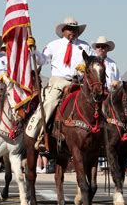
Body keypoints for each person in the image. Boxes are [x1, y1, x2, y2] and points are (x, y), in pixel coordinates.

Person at [25, 17, 93, 146]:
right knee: (49, 104)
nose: (72, 31)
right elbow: (42, 60)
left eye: (74, 29)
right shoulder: (53, 45)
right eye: (69, 28)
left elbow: (92, 62)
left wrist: (86, 67)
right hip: (58, 82)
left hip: (79, 83)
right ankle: (38, 135)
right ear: (63, 30)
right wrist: (33, 49)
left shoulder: (85, 46)